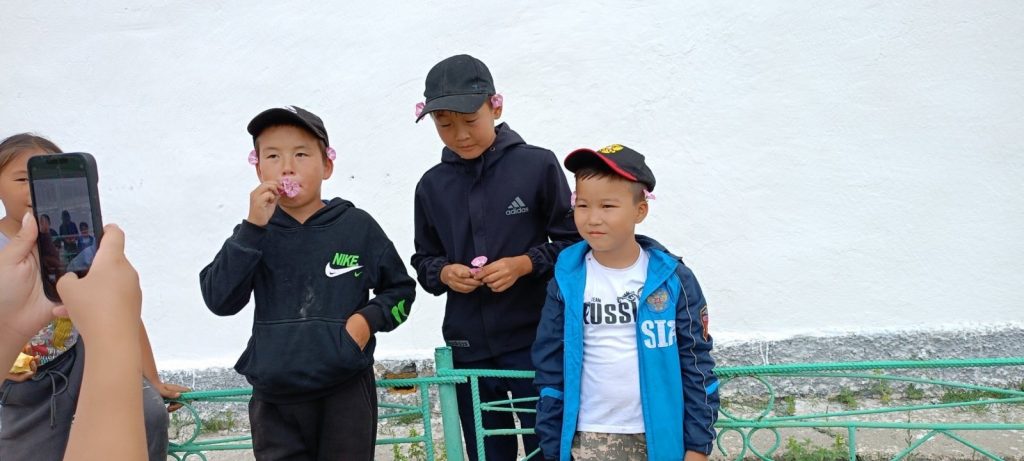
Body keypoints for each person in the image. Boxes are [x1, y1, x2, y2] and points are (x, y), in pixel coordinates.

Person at [200, 106, 417, 460]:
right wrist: (252, 228)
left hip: (345, 392)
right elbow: (218, 299)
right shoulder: (252, 234)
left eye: (301, 154)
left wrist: (365, 322)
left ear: (327, 165)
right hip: (275, 399)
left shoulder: (357, 226)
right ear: (258, 169)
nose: (287, 167)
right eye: (273, 156)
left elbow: (402, 292)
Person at [410, 54, 579, 460]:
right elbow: (424, 260)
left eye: (471, 120)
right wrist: (445, 273)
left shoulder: (537, 165)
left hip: (536, 342)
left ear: (496, 107)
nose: (460, 135)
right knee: (486, 452)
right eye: (444, 125)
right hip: (468, 346)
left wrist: (525, 264)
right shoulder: (431, 186)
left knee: (547, 447)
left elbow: (574, 245)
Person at [0, 133, 185, 461]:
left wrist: (151, 378)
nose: (35, 191)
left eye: (46, 182)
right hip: (25, 382)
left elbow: (122, 313)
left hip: (77, 356)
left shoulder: (77, 242)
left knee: (149, 414)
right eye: (21, 179)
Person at [532, 145, 720, 461]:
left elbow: (697, 364)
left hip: (659, 436)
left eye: (608, 206)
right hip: (587, 437)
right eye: (582, 205)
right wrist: (553, 446)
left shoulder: (673, 279)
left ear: (640, 211)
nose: (593, 218)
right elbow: (549, 366)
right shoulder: (565, 279)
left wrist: (698, 446)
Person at [0, 213, 150, 461]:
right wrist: (111, 333)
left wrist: (7, 332)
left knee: (152, 414)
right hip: (31, 381)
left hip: (72, 356)